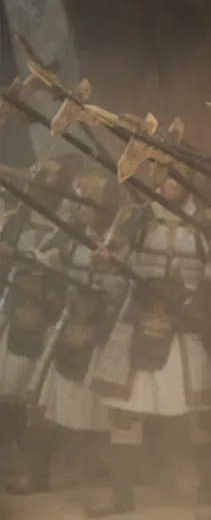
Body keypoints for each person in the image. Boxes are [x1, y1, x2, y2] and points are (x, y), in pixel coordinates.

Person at [85, 171, 211, 517]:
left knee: (200, 411)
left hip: (185, 324)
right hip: (139, 320)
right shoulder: (136, 219)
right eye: (161, 178)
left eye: (173, 178)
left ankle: (208, 488)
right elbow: (114, 262)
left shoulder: (206, 222)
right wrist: (105, 261)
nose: (165, 184)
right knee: (124, 411)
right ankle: (121, 496)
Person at [9, 169, 128, 494]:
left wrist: (107, 279)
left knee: (104, 413)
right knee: (42, 406)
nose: (81, 210)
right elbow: (45, 261)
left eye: (87, 204)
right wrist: (18, 255)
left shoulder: (123, 244)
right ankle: (37, 473)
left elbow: (127, 293)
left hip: (103, 337)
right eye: (81, 203)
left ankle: (107, 480)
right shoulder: (70, 236)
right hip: (68, 329)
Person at [0, 157, 80, 491]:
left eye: (45, 188)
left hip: (50, 318)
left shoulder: (69, 226)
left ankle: (38, 470)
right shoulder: (16, 221)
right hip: (13, 312)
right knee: (8, 393)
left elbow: (68, 274)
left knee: (39, 399)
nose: (38, 194)